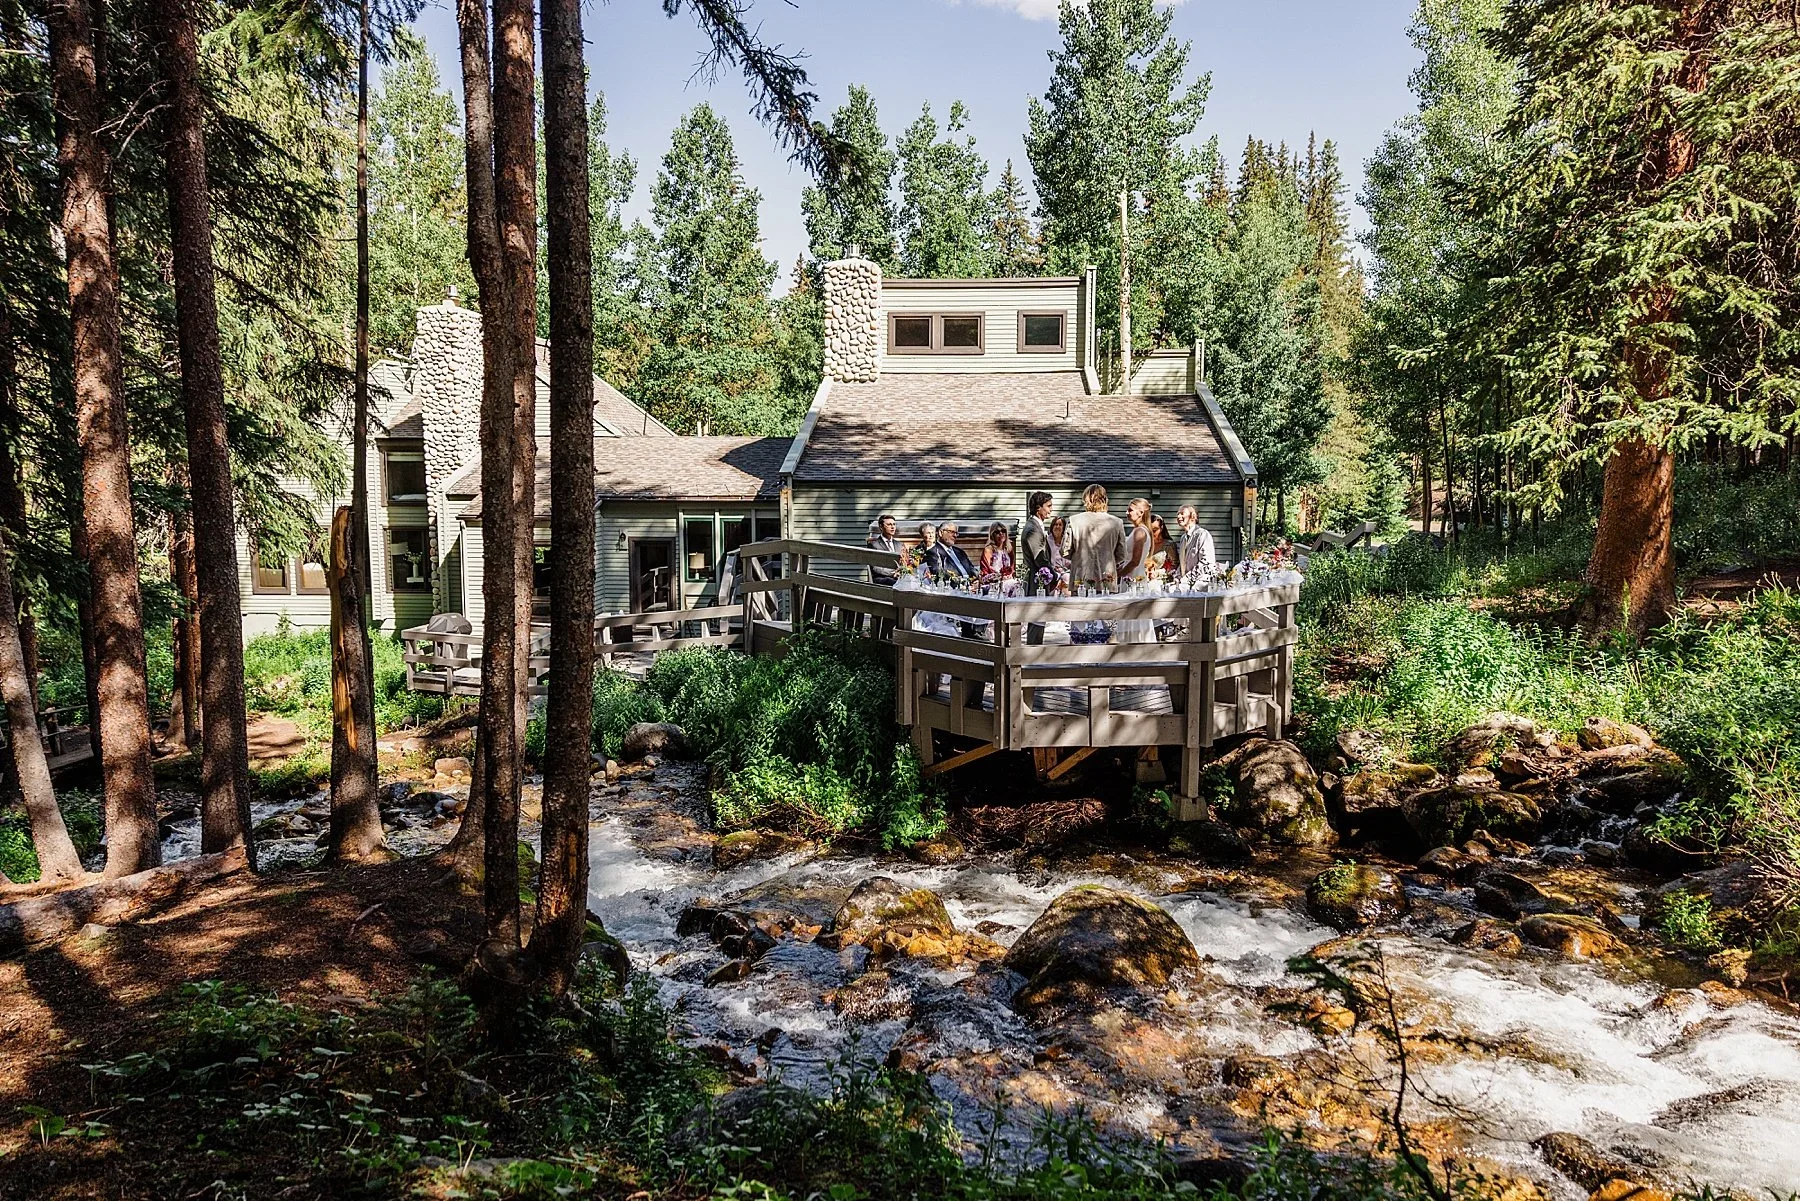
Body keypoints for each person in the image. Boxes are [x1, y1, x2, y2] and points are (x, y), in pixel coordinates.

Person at [1066, 484, 1128, 589]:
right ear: (1105, 499)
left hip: (1080, 577)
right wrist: (1108, 559)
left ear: (1086, 499)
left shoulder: (1074, 520)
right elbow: (1122, 554)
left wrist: (1078, 556)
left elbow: (1065, 550)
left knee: (1077, 605)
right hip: (1107, 577)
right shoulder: (1117, 522)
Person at [1176, 505, 1217, 578]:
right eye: (1178, 514)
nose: (1179, 516)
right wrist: (1177, 577)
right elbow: (1183, 564)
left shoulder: (1202, 535)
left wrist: (1187, 579)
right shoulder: (1183, 538)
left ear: (1193, 516)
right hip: (1185, 586)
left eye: (1182, 513)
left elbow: (1206, 563)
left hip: (1199, 585)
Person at [868, 513, 903, 585]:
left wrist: (901, 572)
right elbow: (875, 568)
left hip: (898, 577)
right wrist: (893, 573)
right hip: (882, 578)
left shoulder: (899, 545)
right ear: (881, 526)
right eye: (889, 524)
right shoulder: (874, 545)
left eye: (894, 524)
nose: (892, 527)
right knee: (894, 582)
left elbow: (904, 563)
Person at [979, 522, 1015, 590]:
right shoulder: (989, 549)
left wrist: (1009, 575)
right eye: (997, 532)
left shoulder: (1009, 548)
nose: (1001, 534)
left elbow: (1012, 567)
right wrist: (999, 576)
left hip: (1008, 580)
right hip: (994, 582)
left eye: (1003, 531)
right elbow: (985, 569)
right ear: (993, 535)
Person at [1146, 514, 1175, 581]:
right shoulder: (1144, 544)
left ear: (1161, 528)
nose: (1152, 534)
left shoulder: (1168, 545)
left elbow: (1174, 566)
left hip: (1161, 582)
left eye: (1154, 530)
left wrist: (1158, 573)